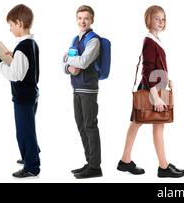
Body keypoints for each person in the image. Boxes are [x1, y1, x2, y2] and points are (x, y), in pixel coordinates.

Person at [117, 5, 184, 178]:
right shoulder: (149, 40)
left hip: (156, 87)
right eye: (157, 18)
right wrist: (155, 97)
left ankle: (126, 161)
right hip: (151, 90)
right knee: (148, 124)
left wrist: (166, 78)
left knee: (139, 123)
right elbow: (146, 71)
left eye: (163, 19)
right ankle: (162, 167)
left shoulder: (155, 39)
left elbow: (155, 67)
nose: (161, 22)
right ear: (149, 19)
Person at [0, 4, 41, 178]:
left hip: (23, 97)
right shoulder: (31, 44)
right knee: (28, 128)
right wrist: (12, 57)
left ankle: (32, 167)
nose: (10, 29)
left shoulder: (22, 48)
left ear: (19, 23)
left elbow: (15, 75)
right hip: (31, 94)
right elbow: (25, 68)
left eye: (11, 25)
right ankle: (30, 155)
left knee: (24, 131)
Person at [63, 5, 103, 179]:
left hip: (88, 88)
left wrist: (70, 61)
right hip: (76, 88)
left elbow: (85, 61)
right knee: (81, 126)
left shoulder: (94, 40)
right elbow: (66, 63)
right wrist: (69, 67)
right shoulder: (75, 39)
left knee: (90, 126)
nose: (83, 21)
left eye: (86, 18)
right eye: (80, 18)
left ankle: (95, 167)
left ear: (92, 20)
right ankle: (89, 162)